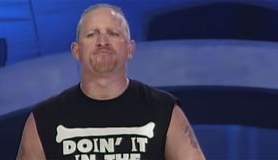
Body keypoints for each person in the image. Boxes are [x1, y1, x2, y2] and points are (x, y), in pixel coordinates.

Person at [17, 3, 205, 160]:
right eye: (92, 34)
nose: (102, 41)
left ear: (130, 48)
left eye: (114, 33)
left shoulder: (164, 110)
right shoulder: (44, 118)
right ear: (76, 51)